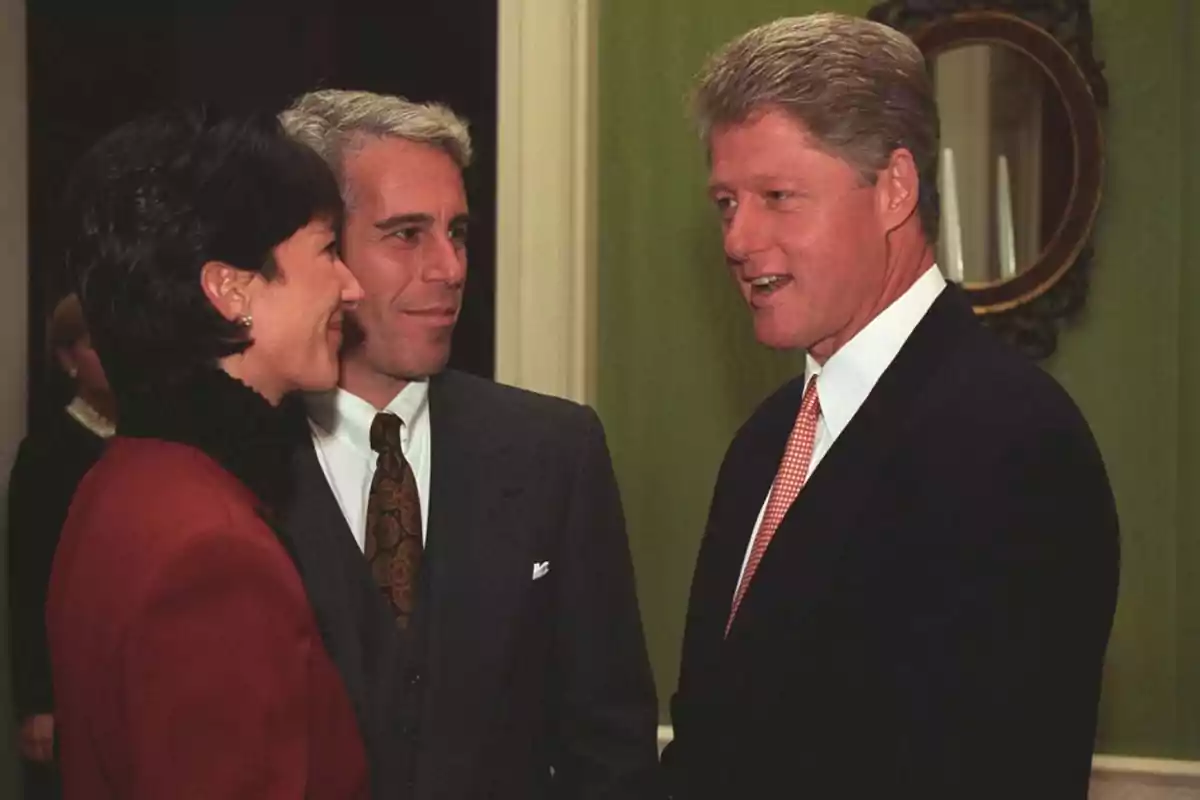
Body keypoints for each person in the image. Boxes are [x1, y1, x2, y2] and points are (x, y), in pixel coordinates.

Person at [661, 13, 1120, 800]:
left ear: (895, 190)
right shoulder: (764, 444)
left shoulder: (1012, 443)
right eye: (726, 203)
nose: (738, 239)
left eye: (777, 196)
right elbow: (714, 739)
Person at [278, 89, 660, 800]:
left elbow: (610, 748)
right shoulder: (233, 469)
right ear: (322, 247)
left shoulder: (554, 451)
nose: (450, 268)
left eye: (457, 232)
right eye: (406, 234)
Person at [45, 108, 368, 799]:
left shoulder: (123, 481)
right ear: (231, 289)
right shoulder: (211, 554)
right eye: (327, 250)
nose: (351, 286)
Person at [7, 293, 113, 799]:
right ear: (69, 358)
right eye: (96, 344)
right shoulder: (47, 452)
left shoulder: (150, 443)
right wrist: (36, 703)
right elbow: (27, 581)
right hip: (67, 689)